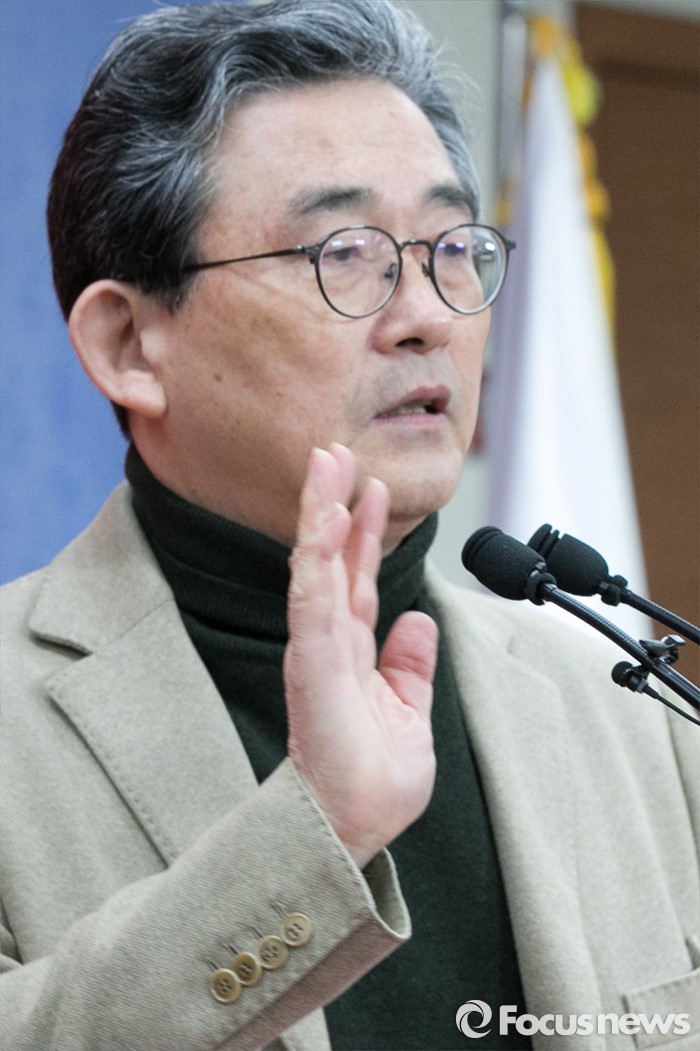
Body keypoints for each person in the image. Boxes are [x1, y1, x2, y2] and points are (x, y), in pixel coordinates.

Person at [0, 1, 698, 1049]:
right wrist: (312, 835)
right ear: (129, 344)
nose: (428, 314)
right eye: (346, 251)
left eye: (452, 247)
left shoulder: (623, 702)